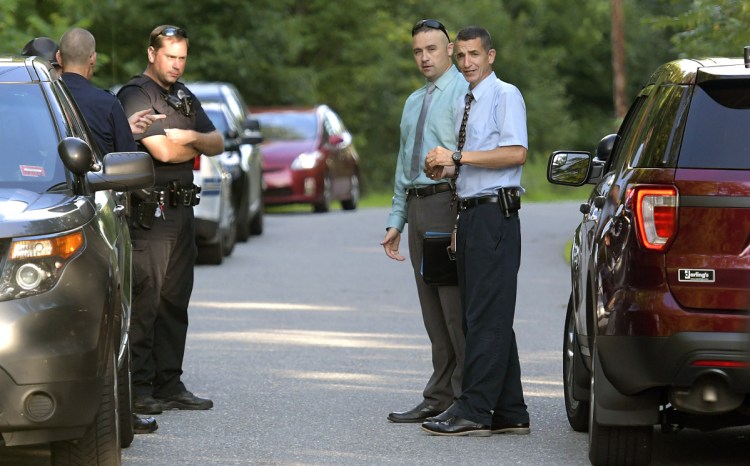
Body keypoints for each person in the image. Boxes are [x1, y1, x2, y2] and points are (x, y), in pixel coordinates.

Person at [421, 26, 531, 436]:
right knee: (484, 314)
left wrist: (457, 155)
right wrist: (446, 167)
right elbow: (470, 163)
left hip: (495, 217)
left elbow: (516, 152)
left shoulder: (505, 95)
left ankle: (474, 409)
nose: (467, 63)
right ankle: (509, 410)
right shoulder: (465, 101)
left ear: (491, 56)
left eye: (475, 55)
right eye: (462, 55)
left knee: (484, 316)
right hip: (471, 214)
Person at [56, 27, 162, 435]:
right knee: (116, 311)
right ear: (93, 59)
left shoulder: (45, 99)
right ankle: (120, 407)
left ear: (59, 60)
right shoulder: (104, 101)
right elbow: (126, 163)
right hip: (98, 216)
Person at [117, 24, 223, 415]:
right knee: (147, 301)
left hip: (181, 210)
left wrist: (187, 136)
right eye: (170, 57)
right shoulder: (134, 95)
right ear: (151, 54)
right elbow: (161, 151)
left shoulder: (182, 95)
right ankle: (139, 387)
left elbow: (218, 141)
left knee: (175, 301)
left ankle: (169, 383)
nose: (177, 65)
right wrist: (187, 140)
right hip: (151, 213)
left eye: (182, 57)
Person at [381, 19, 467, 423]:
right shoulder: (414, 100)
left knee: (454, 306)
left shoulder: (465, 94)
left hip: (447, 204)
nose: (424, 57)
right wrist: (396, 218)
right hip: (417, 206)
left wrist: (460, 218)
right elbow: (404, 162)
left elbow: (470, 159)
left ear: (449, 49)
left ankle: (465, 397)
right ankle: (438, 395)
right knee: (431, 307)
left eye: (431, 49)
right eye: (417, 51)